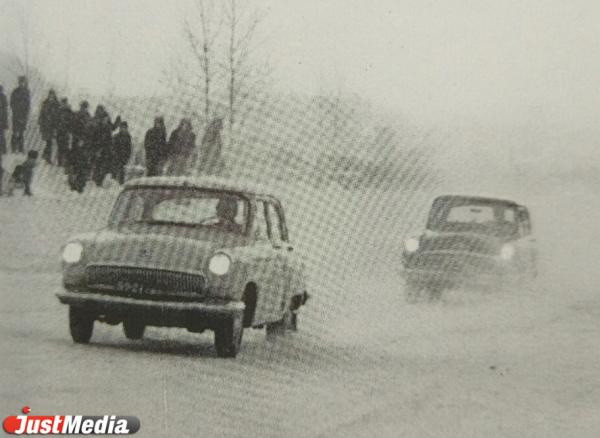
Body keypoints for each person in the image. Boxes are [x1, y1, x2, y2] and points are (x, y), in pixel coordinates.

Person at [90, 105, 120, 186]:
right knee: (98, 165)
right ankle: (96, 180)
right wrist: (96, 149)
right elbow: (94, 137)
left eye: (106, 119)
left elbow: (113, 127)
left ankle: (99, 180)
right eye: (104, 119)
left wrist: (117, 122)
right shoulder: (97, 125)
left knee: (105, 165)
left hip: (106, 147)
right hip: (99, 147)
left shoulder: (106, 124)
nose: (106, 120)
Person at [68, 101, 92, 192]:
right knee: (75, 164)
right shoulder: (76, 116)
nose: (84, 109)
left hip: (85, 145)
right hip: (76, 143)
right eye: (83, 107)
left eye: (85, 107)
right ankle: (73, 185)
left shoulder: (88, 117)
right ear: (81, 107)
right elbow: (72, 128)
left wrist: (85, 140)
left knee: (82, 165)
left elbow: (90, 131)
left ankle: (80, 185)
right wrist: (78, 139)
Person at [10, 76, 30, 154]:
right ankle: (13, 149)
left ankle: (21, 149)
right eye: (21, 82)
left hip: (23, 116)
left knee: (21, 133)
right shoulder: (15, 91)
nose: (22, 83)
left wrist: (25, 115)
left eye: (23, 82)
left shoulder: (27, 92)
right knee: (15, 132)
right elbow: (12, 103)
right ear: (19, 83)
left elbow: (28, 105)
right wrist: (16, 112)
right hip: (16, 115)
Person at [39, 90, 60, 164]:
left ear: (54, 96)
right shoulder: (45, 103)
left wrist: (57, 126)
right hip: (46, 126)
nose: (51, 97)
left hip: (53, 126)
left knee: (50, 142)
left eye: (52, 95)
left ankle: (46, 156)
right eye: (50, 95)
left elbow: (58, 116)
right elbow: (41, 115)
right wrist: (41, 125)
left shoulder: (57, 104)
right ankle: (47, 157)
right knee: (49, 142)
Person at [55, 97, 73, 167]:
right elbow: (56, 121)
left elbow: (71, 121)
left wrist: (69, 129)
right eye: (62, 103)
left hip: (65, 132)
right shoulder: (59, 111)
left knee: (65, 147)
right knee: (60, 147)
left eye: (64, 103)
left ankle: (65, 162)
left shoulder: (69, 111)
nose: (63, 104)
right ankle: (60, 162)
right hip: (59, 132)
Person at [0, 85, 7, 155]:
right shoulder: (4, 98)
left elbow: (5, 111)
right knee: (2, 136)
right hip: (2, 120)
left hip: (1, 121)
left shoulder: (3, 98)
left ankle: (3, 150)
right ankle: (3, 150)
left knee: (2, 136)